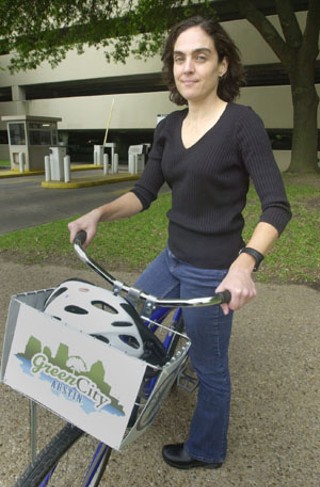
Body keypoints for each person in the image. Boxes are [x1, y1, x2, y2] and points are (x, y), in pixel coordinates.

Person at [68, 16, 291, 470]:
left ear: (222, 65)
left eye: (201, 56)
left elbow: (277, 207)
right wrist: (99, 214)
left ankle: (207, 450)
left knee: (211, 369)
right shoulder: (168, 126)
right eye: (179, 58)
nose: (187, 67)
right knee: (123, 321)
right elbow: (144, 193)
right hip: (172, 259)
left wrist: (244, 263)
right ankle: (139, 387)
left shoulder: (242, 124)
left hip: (213, 273)